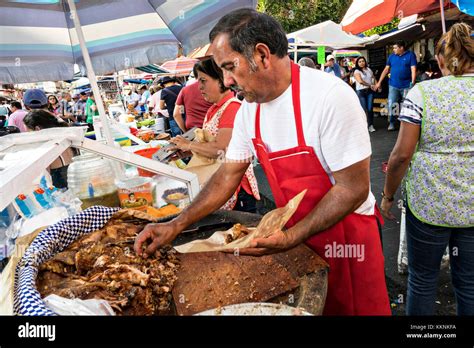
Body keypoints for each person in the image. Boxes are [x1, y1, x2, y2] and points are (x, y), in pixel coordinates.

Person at [134, 8, 390, 316]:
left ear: (262, 55)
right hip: (294, 235)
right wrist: (176, 225)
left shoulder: (329, 97)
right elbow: (228, 174)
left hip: (347, 239)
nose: (227, 81)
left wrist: (293, 236)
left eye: (230, 67)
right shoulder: (248, 111)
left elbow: (353, 188)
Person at [381, 23, 474, 316]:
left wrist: (387, 195)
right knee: (470, 283)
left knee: (422, 280)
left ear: (442, 60)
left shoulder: (422, 93)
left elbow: (400, 156)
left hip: (428, 204)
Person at [168, 58, 260, 212]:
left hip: (237, 188)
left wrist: (189, 144)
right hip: (222, 183)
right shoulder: (214, 109)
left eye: (203, 81)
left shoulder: (231, 108)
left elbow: (221, 150)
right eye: (198, 81)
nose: (200, 87)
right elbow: (209, 145)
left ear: (221, 80)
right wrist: (184, 152)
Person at [23, 109, 74, 188]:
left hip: (60, 178)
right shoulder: (62, 133)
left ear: (37, 129)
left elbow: (45, 174)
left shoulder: (47, 144)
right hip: (72, 173)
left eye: (29, 132)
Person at [375, 40, 417, 131]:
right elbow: (386, 70)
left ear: (401, 48)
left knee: (406, 105)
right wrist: (379, 82)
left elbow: (413, 69)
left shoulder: (410, 55)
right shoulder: (391, 57)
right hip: (393, 85)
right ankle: (391, 123)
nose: (393, 49)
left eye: (395, 48)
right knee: (391, 104)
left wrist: (412, 82)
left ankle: (405, 123)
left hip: (406, 85)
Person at [173, 64, 213, 132]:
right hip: (212, 127)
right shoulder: (214, 88)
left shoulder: (185, 90)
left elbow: (176, 114)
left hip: (192, 130)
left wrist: (185, 131)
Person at [353, 56, 378, 132]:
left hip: (369, 91)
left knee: (370, 109)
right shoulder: (356, 71)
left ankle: (370, 125)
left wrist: (377, 86)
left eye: (363, 61)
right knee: (364, 110)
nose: (361, 63)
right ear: (357, 63)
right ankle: (363, 126)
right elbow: (360, 81)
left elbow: (373, 78)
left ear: (365, 62)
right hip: (361, 92)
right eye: (359, 62)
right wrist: (370, 85)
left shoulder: (369, 69)